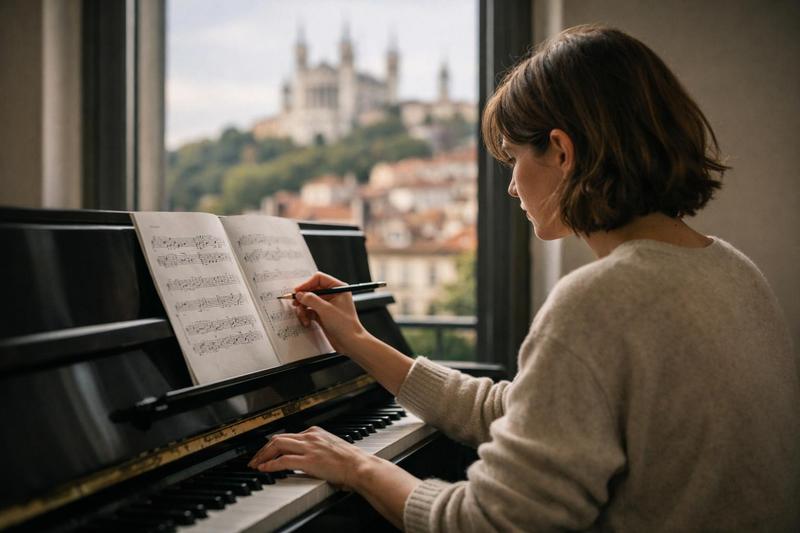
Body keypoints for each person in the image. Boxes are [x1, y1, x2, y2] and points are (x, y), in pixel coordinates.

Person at [248, 24, 799, 532]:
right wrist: (360, 342)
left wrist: (355, 467)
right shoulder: (731, 269)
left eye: (513, 157)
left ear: (561, 152)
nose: (511, 187)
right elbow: (519, 411)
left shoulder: (600, 300)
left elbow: (485, 524)